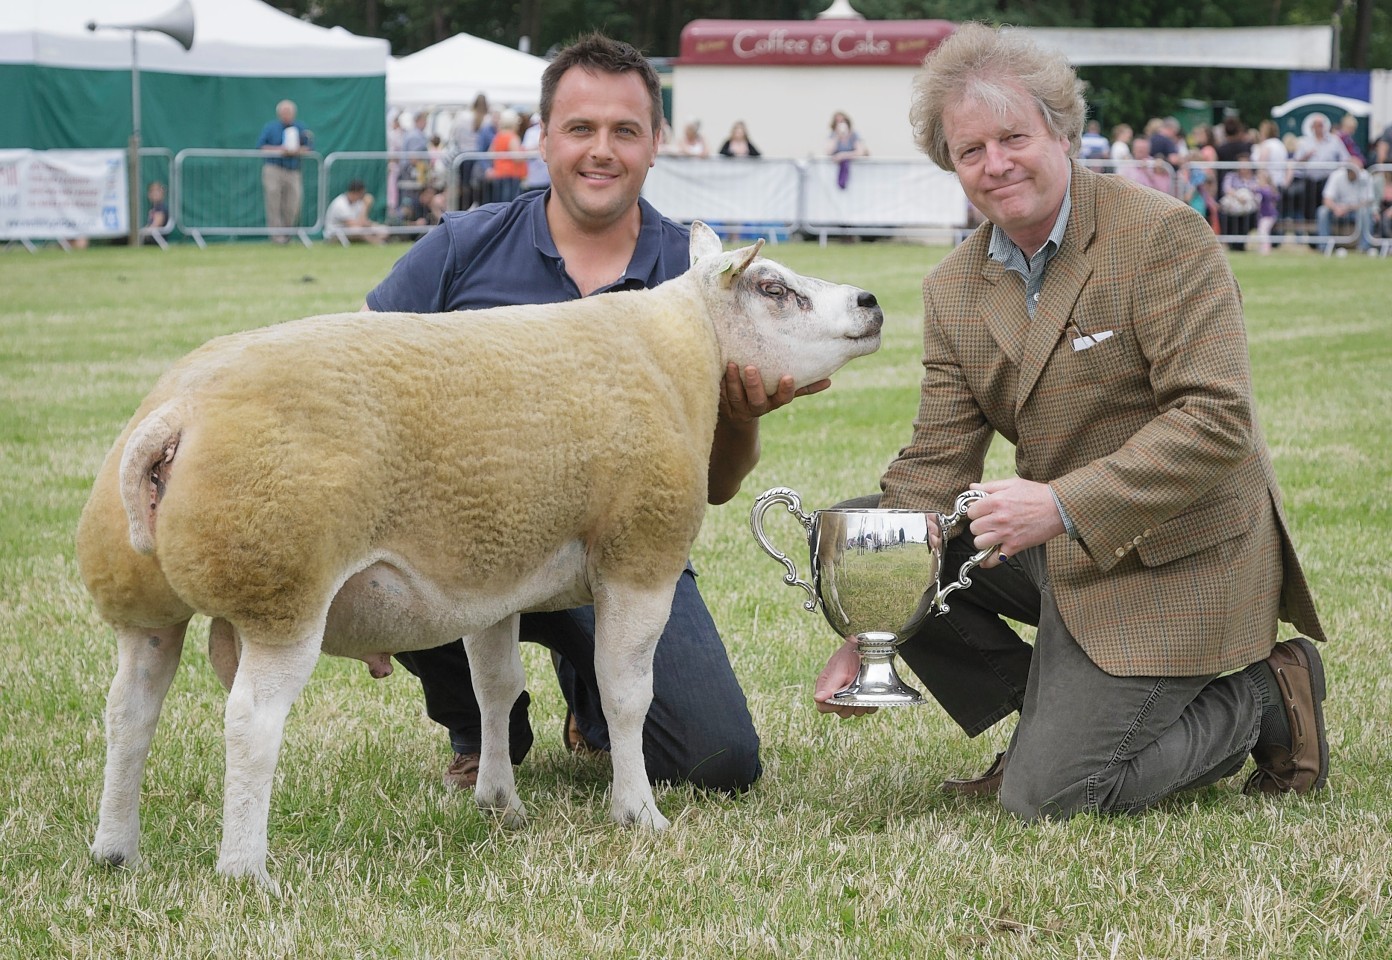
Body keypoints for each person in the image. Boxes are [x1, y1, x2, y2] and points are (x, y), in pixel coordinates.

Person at [812, 22, 1328, 821]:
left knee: (1052, 799)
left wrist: (1058, 505)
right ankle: (1056, 721)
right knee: (873, 531)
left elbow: (1216, 420)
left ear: (1060, 130)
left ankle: (1265, 693)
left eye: (1013, 136)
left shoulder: (1161, 237)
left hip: (1182, 551)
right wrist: (876, 616)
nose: (995, 164)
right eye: (970, 150)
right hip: (1059, 543)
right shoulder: (953, 288)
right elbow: (935, 462)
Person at [363, 32, 826, 797]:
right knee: (420, 548)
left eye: (625, 131)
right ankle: (484, 730)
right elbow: (359, 381)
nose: (600, 151)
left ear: (656, 145)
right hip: (466, 549)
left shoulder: (696, 274)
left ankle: (595, 698)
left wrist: (740, 414)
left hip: (619, 554)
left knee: (718, 764)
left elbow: (712, 489)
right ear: (543, 138)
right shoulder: (460, 252)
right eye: (579, 129)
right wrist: (359, 548)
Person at [256, 99, 312, 243]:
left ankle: (288, 233)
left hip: (293, 169)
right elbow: (261, 147)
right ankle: (276, 236)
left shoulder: (301, 128)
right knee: (273, 203)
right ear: (279, 114)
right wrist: (280, 150)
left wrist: (297, 150)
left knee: (294, 203)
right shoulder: (270, 128)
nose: (287, 115)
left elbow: (309, 147)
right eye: (284, 112)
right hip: (273, 168)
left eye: (289, 112)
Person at [1288, 113, 1349, 225]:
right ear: (1312, 127)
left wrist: (1337, 171)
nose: (1319, 128)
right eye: (1316, 125)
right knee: (1308, 209)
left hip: (1328, 180)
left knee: (1325, 207)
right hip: (1310, 181)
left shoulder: (1334, 141)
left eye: (1321, 125)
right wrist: (1305, 157)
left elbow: (1345, 158)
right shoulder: (1305, 142)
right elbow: (1297, 163)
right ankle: (1313, 235)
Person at [1316, 163, 1377, 254]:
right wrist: (1336, 208)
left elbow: (1368, 202)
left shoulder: (1365, 176)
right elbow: (1326, 199)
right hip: (1337, 210)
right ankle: (1324, 247)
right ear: (1348, 171)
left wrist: (1347, 208)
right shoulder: (1336, 175)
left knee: (1365, 211)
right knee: (1322, 211)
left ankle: (1365, 247)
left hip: (1356, 210)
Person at [324, 179, 388, 245]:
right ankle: (378, 243)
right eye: (362, 194)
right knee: (357, 230)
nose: (363, 196)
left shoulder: (358, 203)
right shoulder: (340, 204)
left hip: (353, 229)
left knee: (382, 230)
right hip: (336, 233)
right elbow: (353, 225)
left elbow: (363, 221)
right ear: (356, 193)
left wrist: (374, 226)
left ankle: (380, 241)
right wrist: (366, 206)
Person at [483, 108, 526, 204]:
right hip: (511, 175)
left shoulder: (498, 136)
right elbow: (517, 158)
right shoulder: (512, 137)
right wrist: (526, 154)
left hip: (499, 174)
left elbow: (491, 152)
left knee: (501, 204)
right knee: (511, 204)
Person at [827, 111, 869, 189]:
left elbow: (860, 152)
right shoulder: (833, 135)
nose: (840, 124)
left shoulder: (854, 135)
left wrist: (843, 155)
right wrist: (837, 136)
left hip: (856, 172)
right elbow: (829, 151)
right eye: (837, 122)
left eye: (843, 121)